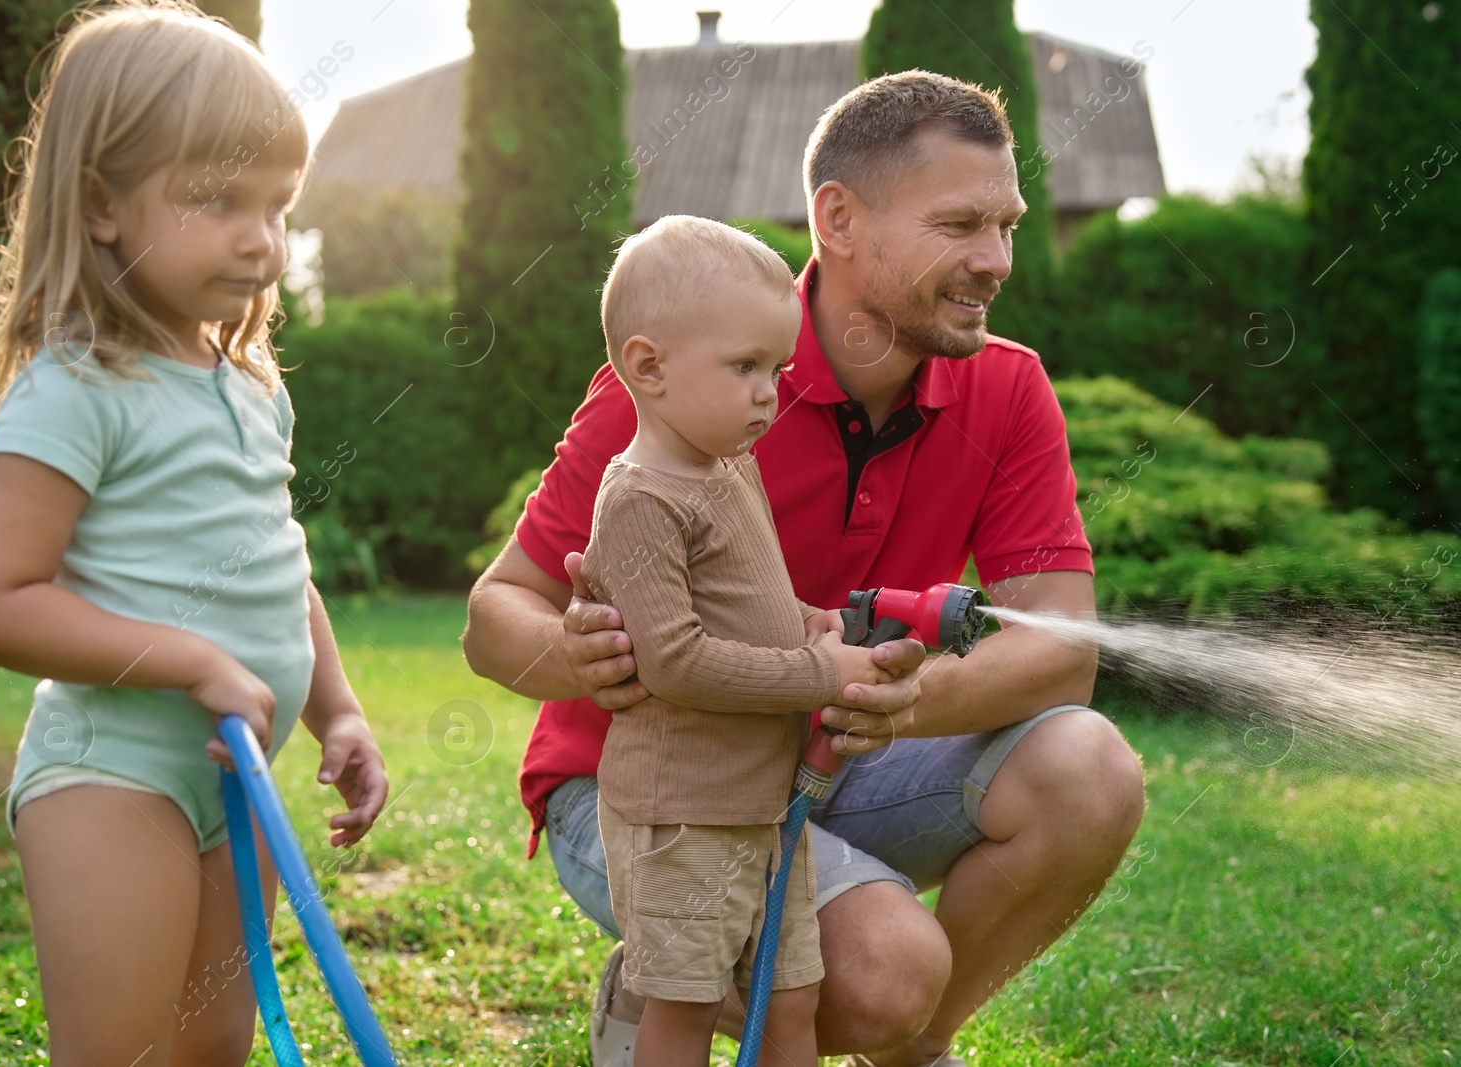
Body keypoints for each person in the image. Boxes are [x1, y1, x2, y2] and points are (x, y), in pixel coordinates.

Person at [463, 70, 1146, 1067]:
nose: (995, 259)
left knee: (1087, 766)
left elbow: (1059, 652)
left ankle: (902, 1040)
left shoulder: (1009, 389)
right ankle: (673, 981)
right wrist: (576, 655)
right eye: (959, 224)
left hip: (832, 757)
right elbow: (494, 613)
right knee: (882, 968)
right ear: (837, 218)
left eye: (1006, 224)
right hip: (647, 789)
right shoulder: (676, 375)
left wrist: (887, 703)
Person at [0, 5, 390, 1065]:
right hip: (114, 777)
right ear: (100, 205)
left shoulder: (249, 384)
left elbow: (282, 569)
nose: (261, 238)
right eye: (218, 201)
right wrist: (192, 657)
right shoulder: (78, 388)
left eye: (277, 205)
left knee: (212, 1046)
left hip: (236, 777)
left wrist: (339, 708)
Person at [582, 215, 899, 1067]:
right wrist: (817, 670)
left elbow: (745, 597)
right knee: (684, 1009)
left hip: (761, 808)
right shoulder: (645, 498)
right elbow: (676, 660)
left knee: (792, 999)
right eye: (746, 367)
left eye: (779, 369)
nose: (771, 392)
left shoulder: (729, 464)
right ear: (648, 367)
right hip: (683, 812)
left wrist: (805, 621)